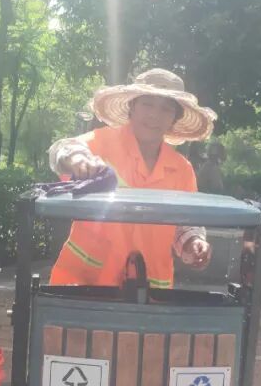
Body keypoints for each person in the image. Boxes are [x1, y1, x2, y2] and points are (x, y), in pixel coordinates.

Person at [47, 68, 216, 288]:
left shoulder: (182, 169)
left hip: (149, 292)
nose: (154, 115)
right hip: (85, 285)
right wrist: (78, 159)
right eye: (147, 104)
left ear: (174, 118)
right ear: (132, 106)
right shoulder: (102, 143)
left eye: (166, 109)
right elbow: (63, 149)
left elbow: (185, 223)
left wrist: (194, 242)